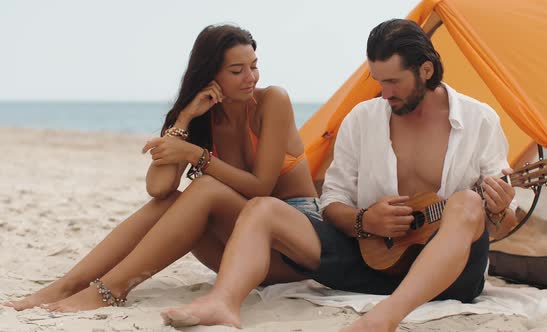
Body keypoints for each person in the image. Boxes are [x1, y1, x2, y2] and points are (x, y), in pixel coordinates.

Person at [159, 18, 518, 331]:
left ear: (425, 70)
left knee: (468, 202)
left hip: (450, 277)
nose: (384, 92)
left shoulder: (478, 119)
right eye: (378, 81)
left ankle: (383, 320)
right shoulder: (362, 119)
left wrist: (500, 209)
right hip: (370, 262)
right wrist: (365, 221)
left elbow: (502, 222)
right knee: (262, 207)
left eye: (393, 82)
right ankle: (223, 303)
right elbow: (331, 203)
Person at [2, 24, 318, 313]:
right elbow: (159, 189)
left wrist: (197, 155)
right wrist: (183, 121)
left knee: (205, 186)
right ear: (210, 75)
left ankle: (109, 290)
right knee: (170, 201)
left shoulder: (272, 101)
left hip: (290, 243)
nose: (251, 78)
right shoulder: (202, 116)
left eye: (254, 66)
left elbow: (262, 187)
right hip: (241, 253)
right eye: (237, 70)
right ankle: (67, 285)